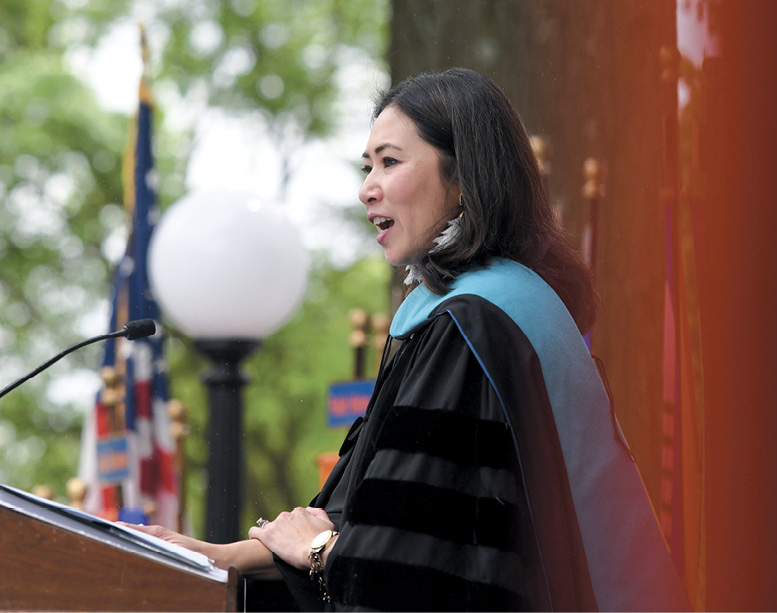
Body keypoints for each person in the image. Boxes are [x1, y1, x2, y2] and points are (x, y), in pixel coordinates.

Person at [128, 68, 689, 612]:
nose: (366, 189)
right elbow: (370, 516)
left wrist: (319, 551)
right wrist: (223, 557)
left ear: (465, 177)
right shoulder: (494, 309)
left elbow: (415, 569)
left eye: (390, 163)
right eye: (366, 166)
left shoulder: (474, 325)